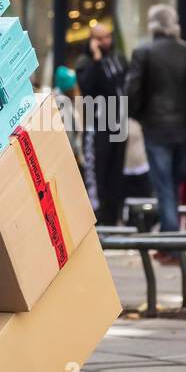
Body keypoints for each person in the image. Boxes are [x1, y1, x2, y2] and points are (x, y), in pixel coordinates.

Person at [126, 4, 186, 242]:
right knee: (174, 182)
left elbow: (132, 91)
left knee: (164, 185)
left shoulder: (143, 53)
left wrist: (140, 116)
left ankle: (170, 239)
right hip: (184, 130)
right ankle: (172, 236)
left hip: (156, 128)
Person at [75, 23, 129, 225]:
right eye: (101, 38)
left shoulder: (118, 58)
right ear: (93, 40)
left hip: (119, 123)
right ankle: (100, 218)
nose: (106, 41)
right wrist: (96, 59)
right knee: (99, 172)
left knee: (116, 172)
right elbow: (87, 89)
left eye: (108, 37)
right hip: (99, 125)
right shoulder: (85, 62)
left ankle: (114, 217)